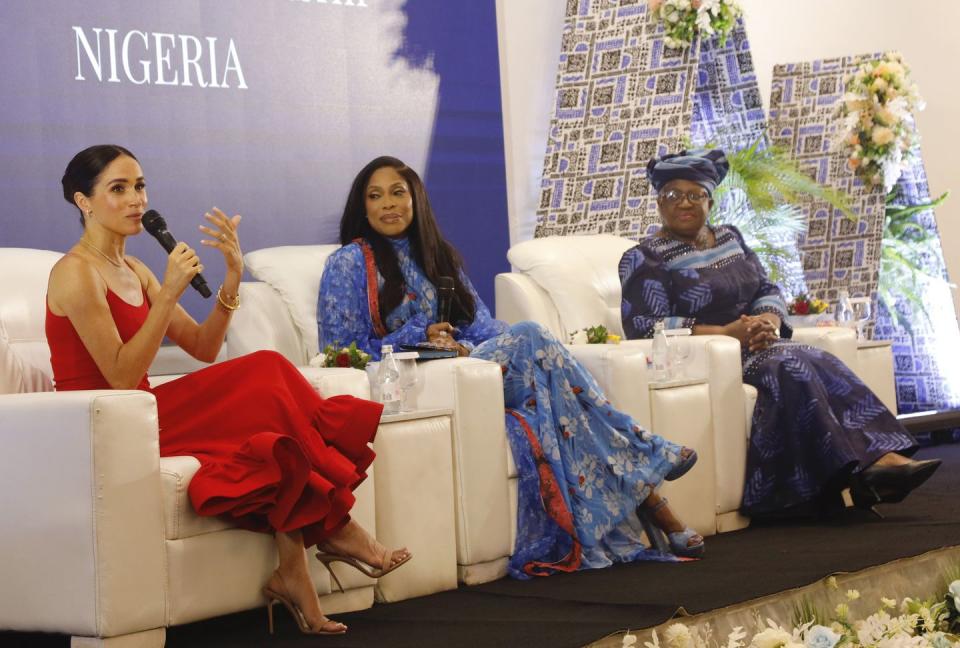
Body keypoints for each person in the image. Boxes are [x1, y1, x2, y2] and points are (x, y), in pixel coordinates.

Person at [47, 145, 411, 636]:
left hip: (141, 410)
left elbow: (202, 345)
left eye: (139, 186)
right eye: (118, 189)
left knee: (270, 387)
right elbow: (116, 374)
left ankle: (294, 571)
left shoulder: (136, 271)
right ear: (83, 202)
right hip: (103, 423)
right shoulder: (75, 272)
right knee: (265, 374)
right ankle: (336, 531)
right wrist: (171, 293)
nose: (136, 200)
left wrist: (232, 278)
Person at [318, 156, 704, 577]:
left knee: (551, 391)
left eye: (398, 193)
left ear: (416, 200)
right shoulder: (350, 262)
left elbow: (484, 326)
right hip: (417, 379)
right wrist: (416, 335)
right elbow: (341, 350)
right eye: (375, 196)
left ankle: (652, 495)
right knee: (531, 335)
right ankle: (650, 474)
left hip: (470, 370)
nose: (388, 204)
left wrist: (460, 345)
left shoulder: (438, 256)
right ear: (363, 204)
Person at [618, 149, 940, 518]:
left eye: (695, 194)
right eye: (673, 195)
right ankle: (862, 472)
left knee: (816, 356)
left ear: (711, 199)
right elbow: (643, 326)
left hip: (758, 343)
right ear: (659, 202)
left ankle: (877, 462)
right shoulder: (644, 258)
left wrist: (768, 319)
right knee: (792, 365)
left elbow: (766, 287)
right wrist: (724, 333)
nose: (684, 203)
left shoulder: (729, 238)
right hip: (704, 357)